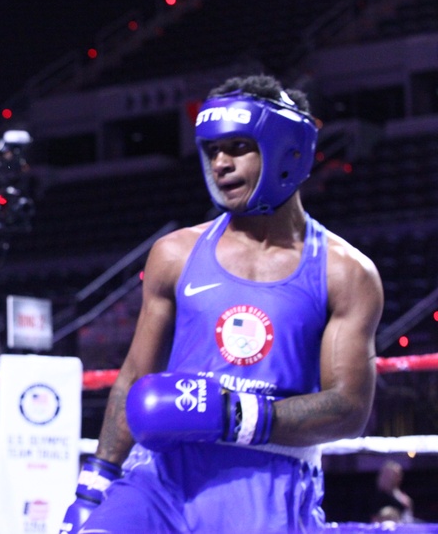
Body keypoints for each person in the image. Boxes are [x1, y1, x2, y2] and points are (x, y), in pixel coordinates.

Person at [59, 75, 384, 533]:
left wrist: (233, 415)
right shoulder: (175, 254)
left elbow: (348, 408)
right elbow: (135, 376)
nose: (221, 164)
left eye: (237, 147)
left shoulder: (344, 272)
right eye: (212, 151)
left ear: (288, 148)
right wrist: (94, 484)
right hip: (162, 477)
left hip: (267, 481)